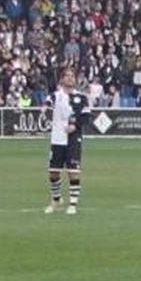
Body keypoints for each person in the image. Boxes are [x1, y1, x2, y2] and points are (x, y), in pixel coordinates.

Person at [44, 68, 89, 215]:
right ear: (62, 79)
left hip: (73, 139)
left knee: (73, 172)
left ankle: (73, 204)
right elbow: (48, 101)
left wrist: (75, 126)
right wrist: (46, 107)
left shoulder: (81, 98)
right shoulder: (56, 95)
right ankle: (56, 199)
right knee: (53, 173)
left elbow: (86, 117)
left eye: (72, 76)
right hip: (57, 138)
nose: (70, 78)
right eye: (67, 76)